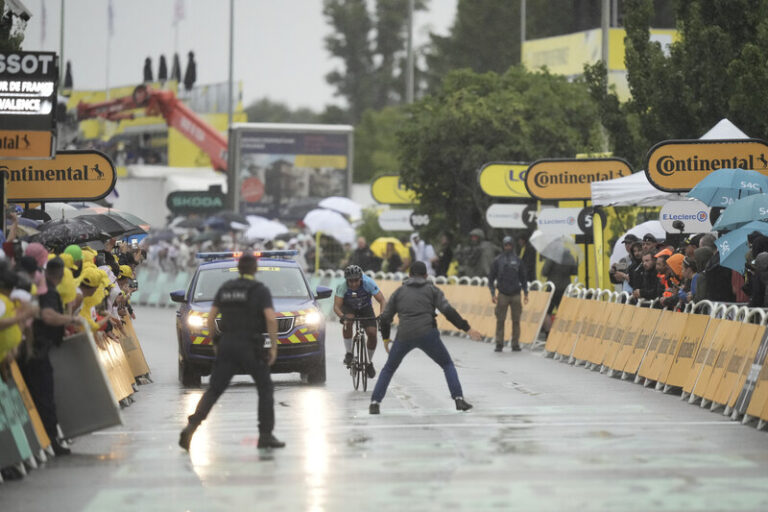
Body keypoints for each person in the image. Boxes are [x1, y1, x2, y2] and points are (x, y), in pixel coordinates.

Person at [179, 254, 284, 451]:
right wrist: (274, 346)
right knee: (265, 388)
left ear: (239, 269)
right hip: (251, 345)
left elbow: (211, 319)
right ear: (255, 269)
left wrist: (215, 342)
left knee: (214, 390)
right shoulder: (260, 290)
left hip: (227, 344)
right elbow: (271, 318)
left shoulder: (226, 288)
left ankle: (192, 426)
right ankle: (265, 435)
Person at [371, 261, 483, 414]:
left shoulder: (399, 292)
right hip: (428, 334)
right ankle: (458, 400)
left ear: (409, 275)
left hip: (404, 335)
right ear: (426, 275)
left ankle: (375, 403)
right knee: (447, 364)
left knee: (389, 368)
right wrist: (467, 328)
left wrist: (385, 338)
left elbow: (385, 318)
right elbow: (448, 311)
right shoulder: (432, 290)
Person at [17, 257, 81, 455]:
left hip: (31, 350)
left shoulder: (40, 290)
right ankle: (51, 440)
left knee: (37, 397)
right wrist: (71, 319)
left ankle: (43, 440)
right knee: (44, 397)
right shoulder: (49, 292)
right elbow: (48, 316)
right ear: (61, 274)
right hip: (37, 352)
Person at [333, 264, 387, 378]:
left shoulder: (368, 283)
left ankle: (368, 362)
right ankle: (349, 353)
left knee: (372, 333)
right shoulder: (342, 286)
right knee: (349, 321)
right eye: (350, 281)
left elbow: (382, 300)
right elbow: (336, 307)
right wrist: (342, 317)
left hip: (365, 307)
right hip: (349, 307)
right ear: (346, 280)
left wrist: (382, 314)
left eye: (356, 281)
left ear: (361, 278)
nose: (353, 284)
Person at [487, 236, 529, 352]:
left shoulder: (518, 260)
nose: (508, 247)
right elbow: (491, 279)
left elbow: (523, 278)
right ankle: (499, 343)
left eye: (510, 245)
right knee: (500, 320)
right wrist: (492, 294)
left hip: (516, 294)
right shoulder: (497, 260)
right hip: (503, 294)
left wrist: (525, 293)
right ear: (503, 246)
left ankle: (515, 344)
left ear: (512, 246)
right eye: (506, 245)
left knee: (516, 320)